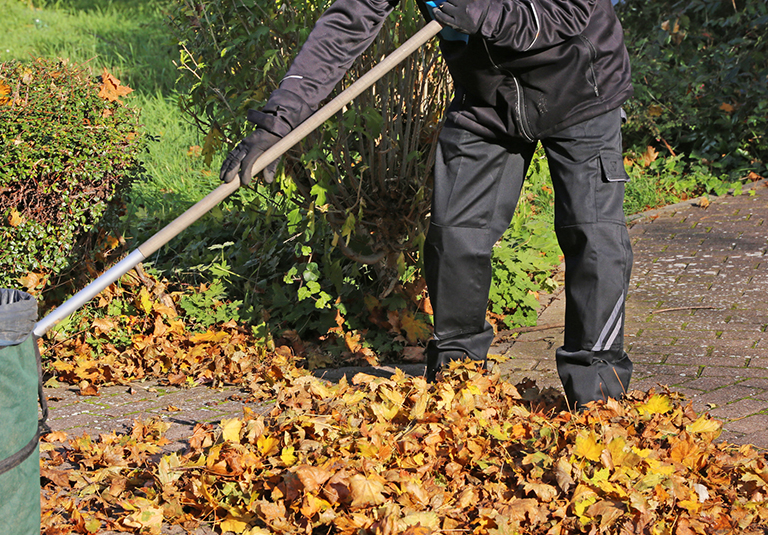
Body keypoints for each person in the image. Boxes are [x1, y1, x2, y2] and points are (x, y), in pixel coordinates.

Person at [220, 0, 635, 409]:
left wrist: (489, 13)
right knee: (455, 236)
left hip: (581, 87)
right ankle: (459, 380)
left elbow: (571, 9)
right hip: (486, 100)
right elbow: (345, 25)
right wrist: (280, 122)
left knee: (593, 234)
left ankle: (598, 397)